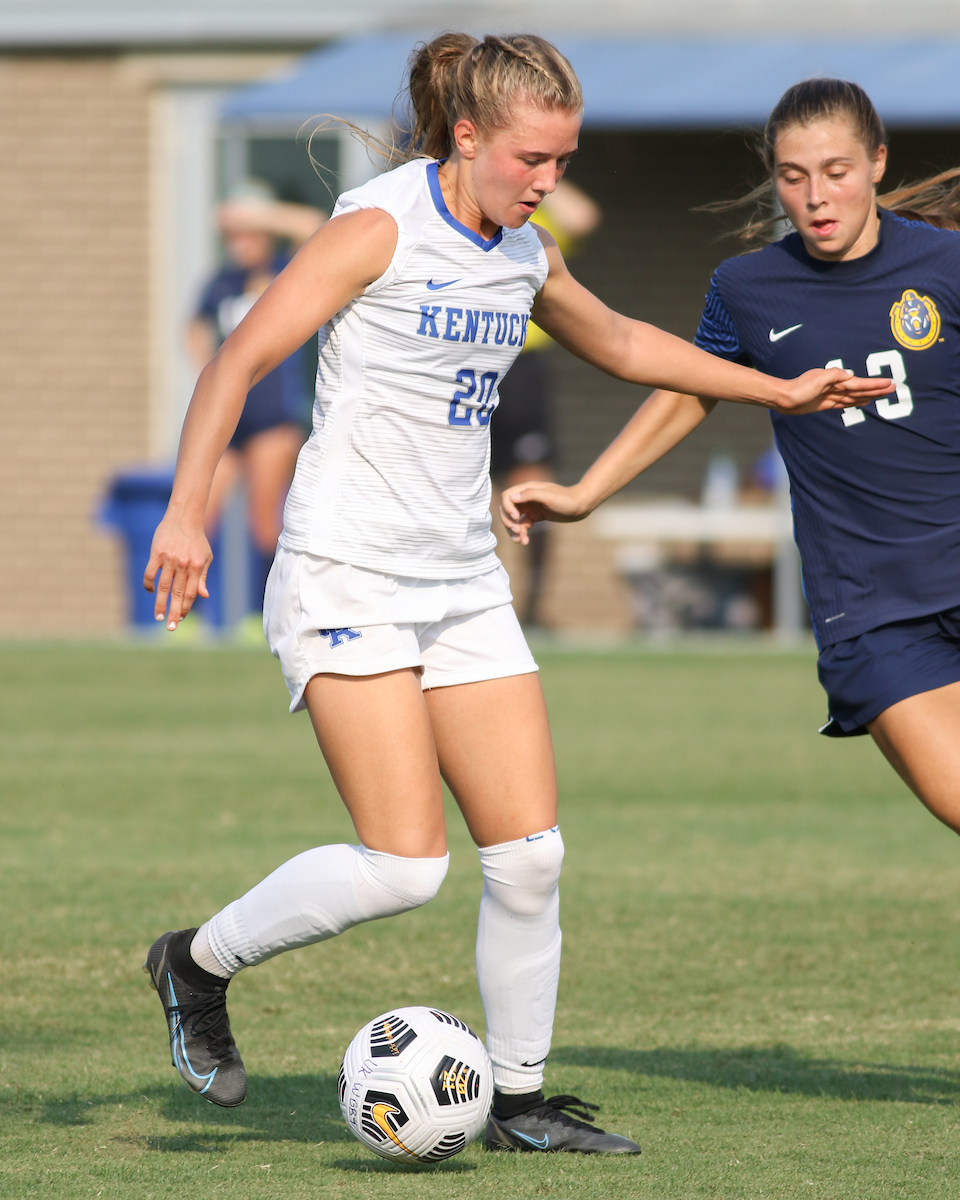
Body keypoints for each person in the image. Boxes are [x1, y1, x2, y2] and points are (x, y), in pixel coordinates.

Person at [141, 41, 888, 1157]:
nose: (546, 179)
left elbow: (629, 344)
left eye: (564, 158)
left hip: (460, 577)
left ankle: (520, 1098)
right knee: (403, 865)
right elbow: (239, 359)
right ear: (469, 137)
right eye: (532, 157)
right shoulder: (378, 229)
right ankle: (195, 962)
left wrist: (777, 389)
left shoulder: (523, 251)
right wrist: (188, 511)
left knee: (531, 854)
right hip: (348, 567)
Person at [502, 79, 960, 884]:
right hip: (875, 613)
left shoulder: (946, 265)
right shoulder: (747, 288)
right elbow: (690, 388)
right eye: (793, 176)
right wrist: (585, 493)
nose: (815, 197)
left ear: (879, 163)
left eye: (837, 171)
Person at [188, 183, 327, 614]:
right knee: (198, 517)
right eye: (234, 235)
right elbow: (194, 328)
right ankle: (185, 618)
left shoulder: (286, 270)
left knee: (265, 526)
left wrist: (256, 213)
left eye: (249, 233)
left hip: (271, 419)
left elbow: (315, 228)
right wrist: (209, 372)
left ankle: (260, 616)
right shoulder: (222, 282)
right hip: (228, 422)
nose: (240, 243)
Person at [492, 179, 601, 626]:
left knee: (529, 489)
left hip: (522, 370)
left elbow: (584, 216)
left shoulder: (534, 224)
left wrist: (536, 175)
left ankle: (533, 603)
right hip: (465, 361)